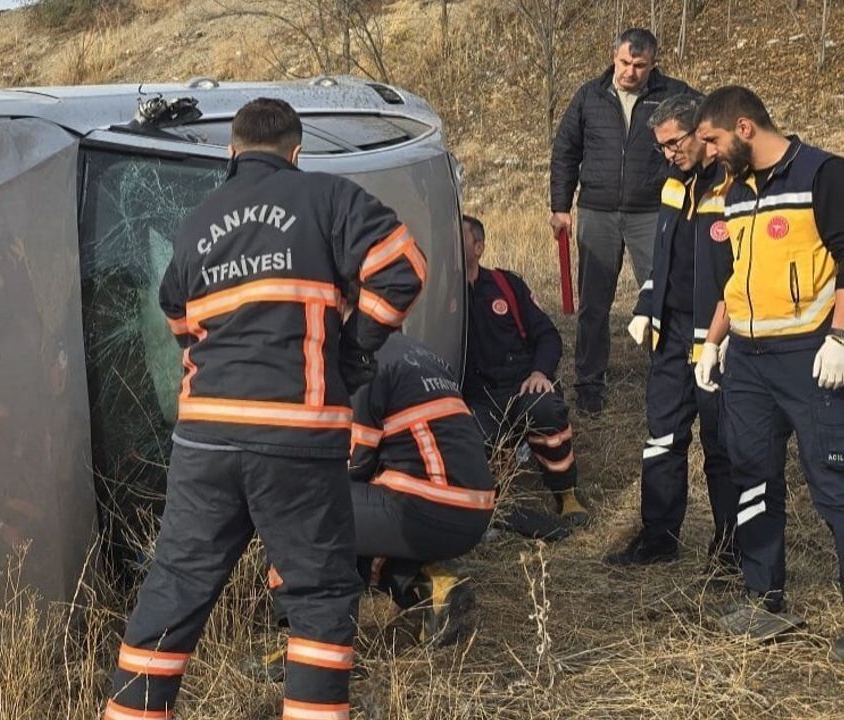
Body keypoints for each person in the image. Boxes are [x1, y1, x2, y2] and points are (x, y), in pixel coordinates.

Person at [105, 98, 425, 720]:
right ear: (297, 153)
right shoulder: (327, 197)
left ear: (231, 152)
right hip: (297, 435)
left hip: (206, 439)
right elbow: (403, 269)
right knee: (320, 594)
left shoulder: (198, 220)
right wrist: (351, 350)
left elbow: (177, 314)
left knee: (174, 589)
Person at [691, 86, 844, 640]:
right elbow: (737, 278)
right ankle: (764, 599)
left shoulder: (822, 175)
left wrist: (841, 338)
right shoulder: (735, 193)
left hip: (811, 355)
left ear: (745, 128)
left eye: (712, 139)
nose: (706, 151)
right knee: (752, 474)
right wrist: (714, 342)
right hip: (749, 363)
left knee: (834, 482)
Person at [262, 333, 492, 663]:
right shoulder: (415, 350)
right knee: (355, 520)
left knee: (299, 508)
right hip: (471, 508)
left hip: (427, 501)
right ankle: (431, 585)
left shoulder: (360, 361)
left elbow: (351, 461)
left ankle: (309, 640)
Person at [606, 94, 739, 567]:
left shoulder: (734, 186)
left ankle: (730, 549)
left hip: (720, 339)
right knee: (662, 438)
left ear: (701, 132)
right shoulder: (673, 184)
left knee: (722, 444)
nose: (669, 154)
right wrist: (646, 305)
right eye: (661, 147)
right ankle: (659, 538)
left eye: (674, 143)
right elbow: (662, 259)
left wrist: (723, 338)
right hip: (671, 336)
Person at [550, 28, 695, 415]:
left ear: (654, 63)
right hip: (597, 211)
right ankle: (589, 384)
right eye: (624, 63)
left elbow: (706, 134)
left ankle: (668, 379)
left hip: (652, 212)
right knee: (594, 303)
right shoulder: (589, 95)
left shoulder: (675, 95)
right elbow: (565, 150)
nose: (630, 72)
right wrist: (560, 205)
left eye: (640, 65)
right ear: (613, 57)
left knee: (663, 296)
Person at [462, 214, 589, 533]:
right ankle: (497, 500)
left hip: (521, 386)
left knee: (545, 408)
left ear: (479, 247)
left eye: (459, 235)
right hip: (478, 396)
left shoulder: (507, 285)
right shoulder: (441, 295)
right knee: (468, 438)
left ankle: (566, 493)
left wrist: (539, 373)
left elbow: (547, 335)